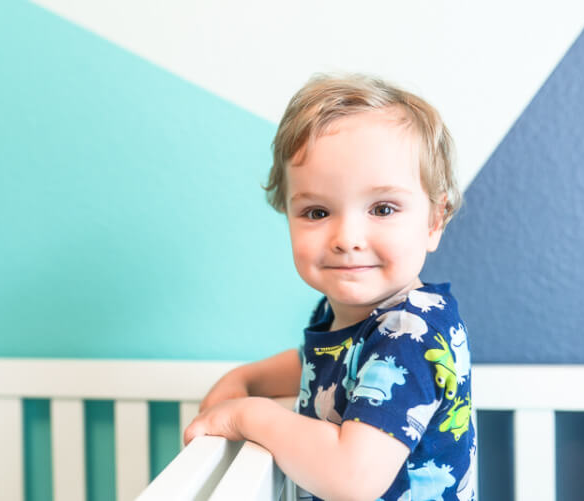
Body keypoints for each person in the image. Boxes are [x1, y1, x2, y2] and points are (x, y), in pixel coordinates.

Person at [183, 74, 475, 501]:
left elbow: (352, 478)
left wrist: (248, 415)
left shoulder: (410, 330)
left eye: (383, 208)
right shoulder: (349, 315)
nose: (346, 237)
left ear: (435, 221)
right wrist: (244, 378)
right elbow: (320, 363)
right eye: (317, 212)